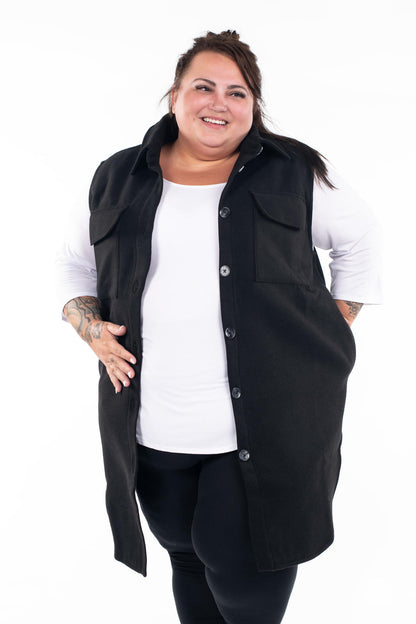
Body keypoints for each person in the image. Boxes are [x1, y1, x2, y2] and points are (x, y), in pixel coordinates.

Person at [56, 30, 382, 624]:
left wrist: (326, 333)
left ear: (254, 105)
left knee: (245, 580)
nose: (220, 103)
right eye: (203, 87)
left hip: (264, 430)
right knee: (186, 561)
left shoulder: (294, 172)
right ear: (174, 96)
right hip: (154, 427)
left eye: (238, 92)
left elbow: (360, 244)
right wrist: (92, 330)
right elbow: (74, 263)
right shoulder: (118, 176)